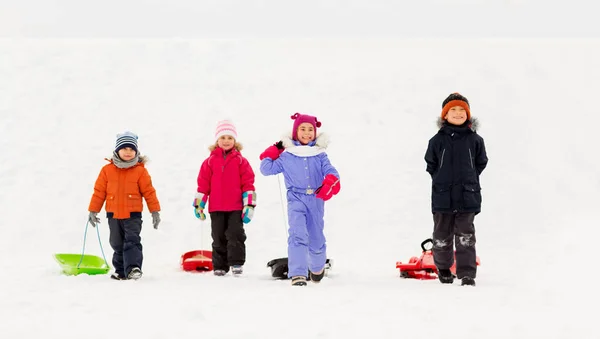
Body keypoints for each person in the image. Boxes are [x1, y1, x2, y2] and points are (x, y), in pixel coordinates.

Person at [260, 113, 340, 286]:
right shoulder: (287, 155)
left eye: (310, 129)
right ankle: (298, 274)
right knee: (297, 235)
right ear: (295, 132)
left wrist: (331, 180)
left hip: (316, 198)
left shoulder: (319, 154)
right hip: (295, 198)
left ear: (315, 133)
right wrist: (275, 149)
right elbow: (266, 169)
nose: (306, 133)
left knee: (316, 238)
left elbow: (331, 171)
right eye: (302, 129)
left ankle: (317, 267)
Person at [425, 93, 488, 286]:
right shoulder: (437, 141)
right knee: (442, 235)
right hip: (443, 197)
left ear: (468, 115)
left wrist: (469, 179)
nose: (458, 113)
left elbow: (481, 162)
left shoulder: (475, 140)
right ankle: (443, 269)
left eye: (462, 110)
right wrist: (441, 179)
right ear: (445, 115)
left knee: (466, 236)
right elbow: (431, 163)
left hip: (467, 197)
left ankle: (467, 273)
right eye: (453, 110)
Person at [88, 131, 161, 280]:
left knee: (132, 241)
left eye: (131, 149)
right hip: (113, 215)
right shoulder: (106, 171)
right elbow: (99, 192)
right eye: (124, 149)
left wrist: (154, 211)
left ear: (136, 152)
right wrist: (93, 210)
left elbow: (149, 192)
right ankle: (121, 271)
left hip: (132, 215)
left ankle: (133, 268)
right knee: (116, 243)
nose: (128, 152)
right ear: (117, 150)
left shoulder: (140, 171)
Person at [193, 120, 256, 276]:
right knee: (218, 236)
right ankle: (220, 265)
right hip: (216, 207)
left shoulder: (241, 161)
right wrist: (198, 205)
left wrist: (249, 205)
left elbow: (248, 183)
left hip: (235, 207)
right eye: (223, 138)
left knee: (236, 234)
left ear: (235, 141)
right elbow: (203, 185)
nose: (226, 141)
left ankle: (236, 263)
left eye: (230, 138)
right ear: (217, 141)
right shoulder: (209, 162)